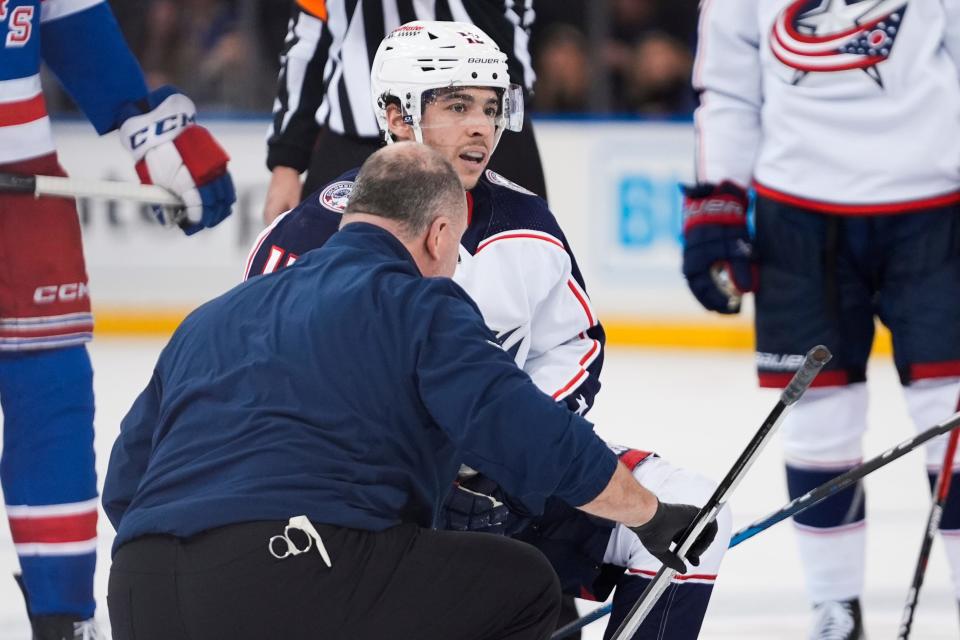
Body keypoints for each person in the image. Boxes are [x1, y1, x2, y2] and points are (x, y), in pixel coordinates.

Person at [102, 141, 718, 640]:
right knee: (525, 585)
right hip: (293, 567)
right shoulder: (417, 302)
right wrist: (651, 514)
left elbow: (124, 483)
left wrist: (205, 560)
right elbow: (524, 431)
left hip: (141, 590)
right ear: (439, 233)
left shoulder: (214, 315)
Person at [245, 21, 732, 639]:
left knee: (690, 514)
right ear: (397, 115)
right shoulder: (303, 242)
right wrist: (432, 472)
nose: (482, 126)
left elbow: (574, 346)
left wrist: (502, 460)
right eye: (457, 105)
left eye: (492, 106)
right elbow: (270, 408)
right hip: (365, 506)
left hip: (508, 483)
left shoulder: (527, 221)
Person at [684, 1, 960, 637]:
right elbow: (726, 84)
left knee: (951, 421)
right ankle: (835, 611)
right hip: (798, 217)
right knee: (816, 423)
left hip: (934, 206)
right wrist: (717, 204)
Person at [0, 2, 235, 639]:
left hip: (22, 190)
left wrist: (146, 127)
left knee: (52, 403)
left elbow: (66, 17)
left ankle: (61, 616)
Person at [261, 0, 548, 224]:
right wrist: (287, 161)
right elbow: (306, 40)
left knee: (515, 271)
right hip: (355, 141)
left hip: (483, 128)